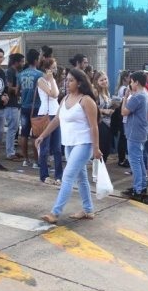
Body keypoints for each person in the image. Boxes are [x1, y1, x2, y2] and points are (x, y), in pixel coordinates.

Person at [37, 68, 101, 223]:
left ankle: (55, 213)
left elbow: (94, 126)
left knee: (67, 176)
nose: (67, 82)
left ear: (79, 83)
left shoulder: (86, 100)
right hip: (69, 144)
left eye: (71, 80)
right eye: (66, 80)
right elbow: (57, 120)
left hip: (83, 144)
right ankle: (88, 209)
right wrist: (42, 135)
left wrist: (96, 148)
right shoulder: (65, 98)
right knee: (81, 178)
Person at [121, 70, 148, 200]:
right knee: (139, 160)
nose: (130, 84)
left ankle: (138, 189)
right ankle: (142, 186)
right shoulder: (145, 94)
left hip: (134, 133)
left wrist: (125, 98)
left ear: (136, 82)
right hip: (141, 131)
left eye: (131, 82)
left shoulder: (138, 97)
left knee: (135, 162)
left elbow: (124, 112)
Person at [36, 56, 62, 184]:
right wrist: (50, 79)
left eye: (55, 68)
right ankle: (44, 175)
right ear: (46, 69)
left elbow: (56, 94)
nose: (55, 70)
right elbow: (53, 94)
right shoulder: (41, 80)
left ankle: (58, 176)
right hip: (45, 114)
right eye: (53, 68)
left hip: (56, 114)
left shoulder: (53, 81)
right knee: (44, 148)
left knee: (57, 147)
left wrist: (52, 80)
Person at [18, 49, 44, 168]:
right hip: (36, 107)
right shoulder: (39, 74)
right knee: (36, 135)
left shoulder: (21, 74)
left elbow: (18, 90)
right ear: (35, 60)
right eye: (38, 59)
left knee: (24, 133)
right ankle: (36, 161)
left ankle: (25, 159)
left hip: (23, 107)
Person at [5, 53, 24, 161]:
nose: (22, 63)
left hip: (15, 104)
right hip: (11, 104)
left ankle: (11, 150)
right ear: (16, 62)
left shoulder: (16, 72)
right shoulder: (10, 71)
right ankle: (10, 152)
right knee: (12, 128)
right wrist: (18, 89)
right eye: (21, 61)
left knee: (14, 128)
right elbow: (8, 88)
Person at [93, 71, 115, 163]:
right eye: (101, 80)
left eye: (105, 79)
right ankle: (98, 170)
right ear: (96, 81)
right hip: (100, 123)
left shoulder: (106, 91)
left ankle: (102, 168)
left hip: (108, 123)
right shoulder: (95, 92)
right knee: (102, 148)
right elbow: (92, 107)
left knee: (106, 148)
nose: (104, 81)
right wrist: (104, 111)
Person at [113, 70, 130, 168]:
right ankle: (122, 158)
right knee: (123, 138)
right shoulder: (124, 89)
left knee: (123, 138)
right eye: (129, 77)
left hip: (121, 115)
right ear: (125, 78)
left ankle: (122, 158)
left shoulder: (120, 88)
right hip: (123, 116)